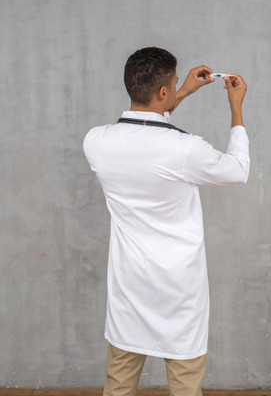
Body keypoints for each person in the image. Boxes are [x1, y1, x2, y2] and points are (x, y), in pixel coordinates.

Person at [83, 47, 250, 396]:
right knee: (186, 387)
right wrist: (236, 107)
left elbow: (146, 131)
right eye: (173, 84)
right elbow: (237, 170)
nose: (176, 88)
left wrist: (185, 90)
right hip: (179, 291)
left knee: (118, 386)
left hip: (129, 288)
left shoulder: (95, 142)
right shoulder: (186, 148)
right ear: (163, 93)